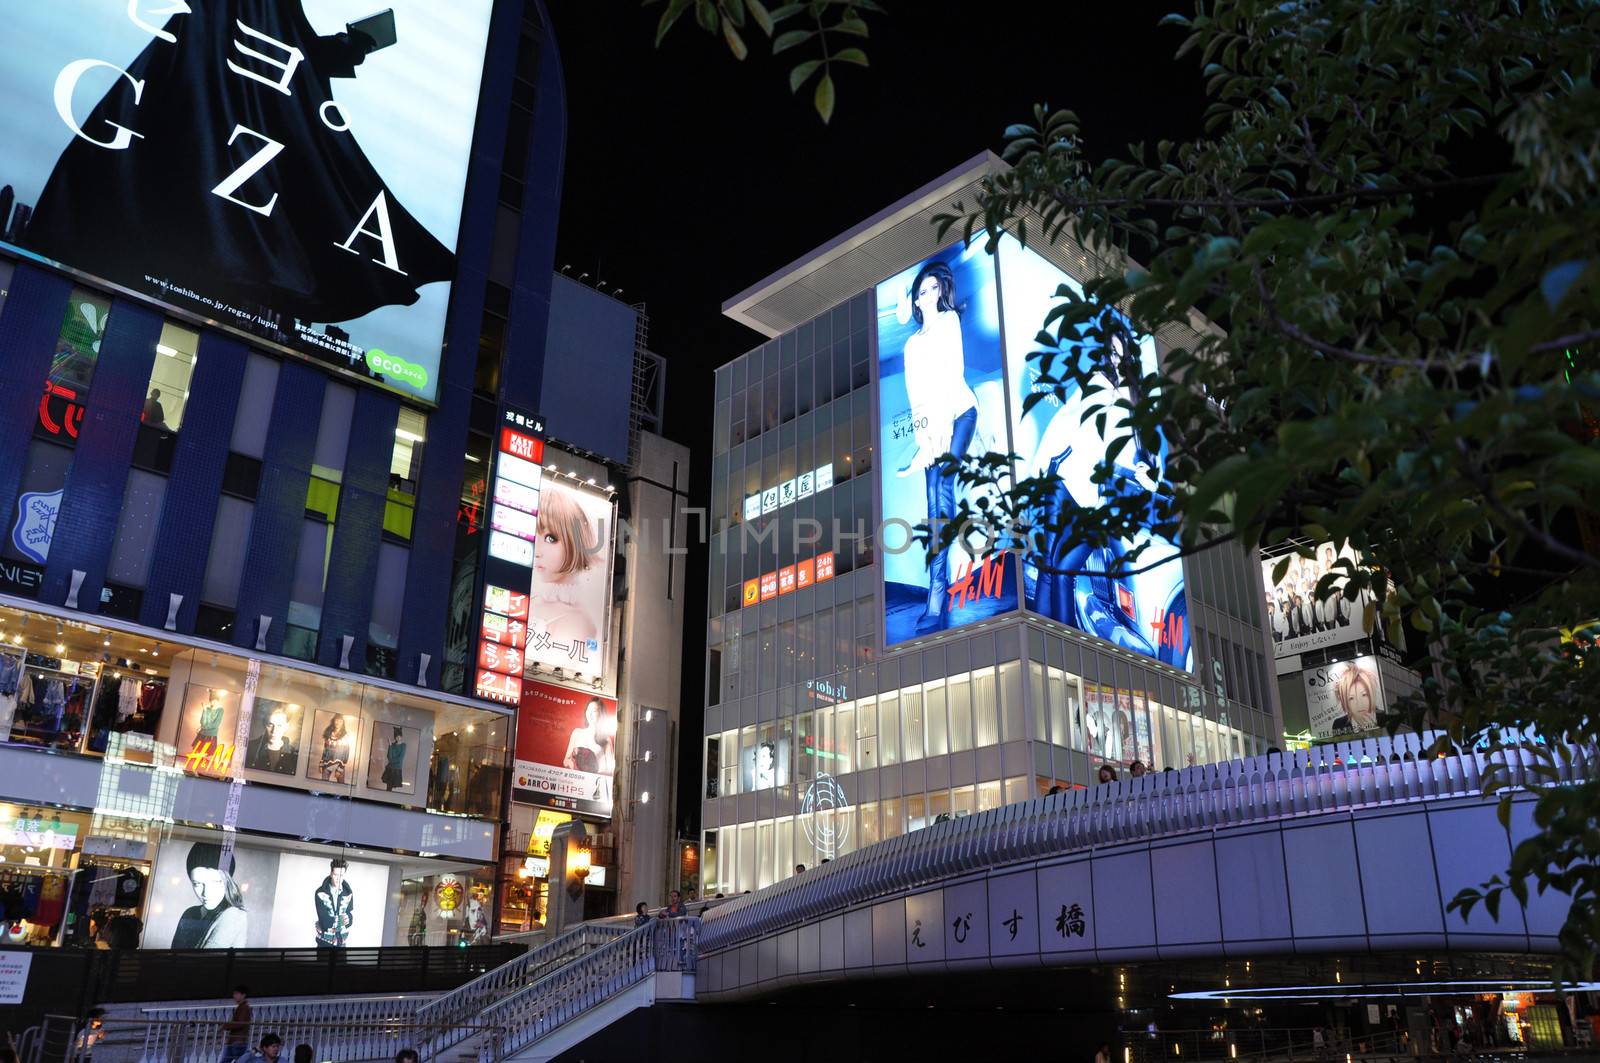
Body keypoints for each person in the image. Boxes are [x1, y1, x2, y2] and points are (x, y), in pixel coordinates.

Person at [894, 259, 981, 632]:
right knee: (933, 507)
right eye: (921, 290)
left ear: (941, 292)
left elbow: (952, 374)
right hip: (932, 424)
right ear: (915, 299)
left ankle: (936, 600)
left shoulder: (949, 322)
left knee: (942, 488)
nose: (927, 294)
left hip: (960, 413)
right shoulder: (911, 345)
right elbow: (916, 398)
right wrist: (923, 441)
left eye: (933, 289)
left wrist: (942, 432)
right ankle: (936, 592)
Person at [532, 486, 604, 648]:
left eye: (551, 538)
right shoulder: (534, 599)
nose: (537, 550)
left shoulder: (577, 621)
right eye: (533, 534)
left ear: (576, 541)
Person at [172, 843, 248, 948]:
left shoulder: (233, 915)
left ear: (228, 882)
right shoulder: (190, 913)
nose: (206, 893)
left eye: (216, 882)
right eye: (197, 884)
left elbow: (204, 962)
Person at [563, 699, 615, 775]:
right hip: (576, 779)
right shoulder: (577, 733)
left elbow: (611, 770)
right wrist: (572, 764)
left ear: (601, 714)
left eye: (594, 711)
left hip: (594, 782)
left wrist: (592, 774)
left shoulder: (605, 739)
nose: (590, 714)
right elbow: (565, 761)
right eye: (588, 710)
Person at [246, 705, 298, 775]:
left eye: (279, 726)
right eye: (270, 725)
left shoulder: (293, 754)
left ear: (286, 726)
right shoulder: (250, 748)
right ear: (265, 724)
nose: (274, 731)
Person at [314, 858, 354, 947]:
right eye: (336, 875)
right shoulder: (320, 892)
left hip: (342, 942)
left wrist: (349, 919)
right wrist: (342, 920)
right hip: (324, 942)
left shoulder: (348, 892)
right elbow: (325, 922)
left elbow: (349, 915)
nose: (339, 879)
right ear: (331, 873)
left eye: (341, 875)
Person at [1333, 664, 1381, 731]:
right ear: (1345, 701)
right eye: (1351, 698)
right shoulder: (1339, 724)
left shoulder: (1384, 718)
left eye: (1364, 695)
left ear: (1371, 694)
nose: (1359, 704)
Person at [318, 715, 353, 783]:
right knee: (323, 784)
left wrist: (340, 769)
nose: (338, 722)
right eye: (336, 720)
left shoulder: (345, 736)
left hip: (339, 764)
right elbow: (325, 750)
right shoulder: (328, 734)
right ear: (333, 721)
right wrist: (321, 764)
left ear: (343, 722)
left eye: (340, 721)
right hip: (327, 763)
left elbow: (346, 753)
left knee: (341, 787)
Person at [221, 985, 251, 1063]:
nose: (234, 996)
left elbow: (240, 1023)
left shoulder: (244, 1008)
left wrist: (226, 1026)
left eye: (237, 994)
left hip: (238, 1041)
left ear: (243, 995)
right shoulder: (241, 1007)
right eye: (234, 994)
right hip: (234, 1041)